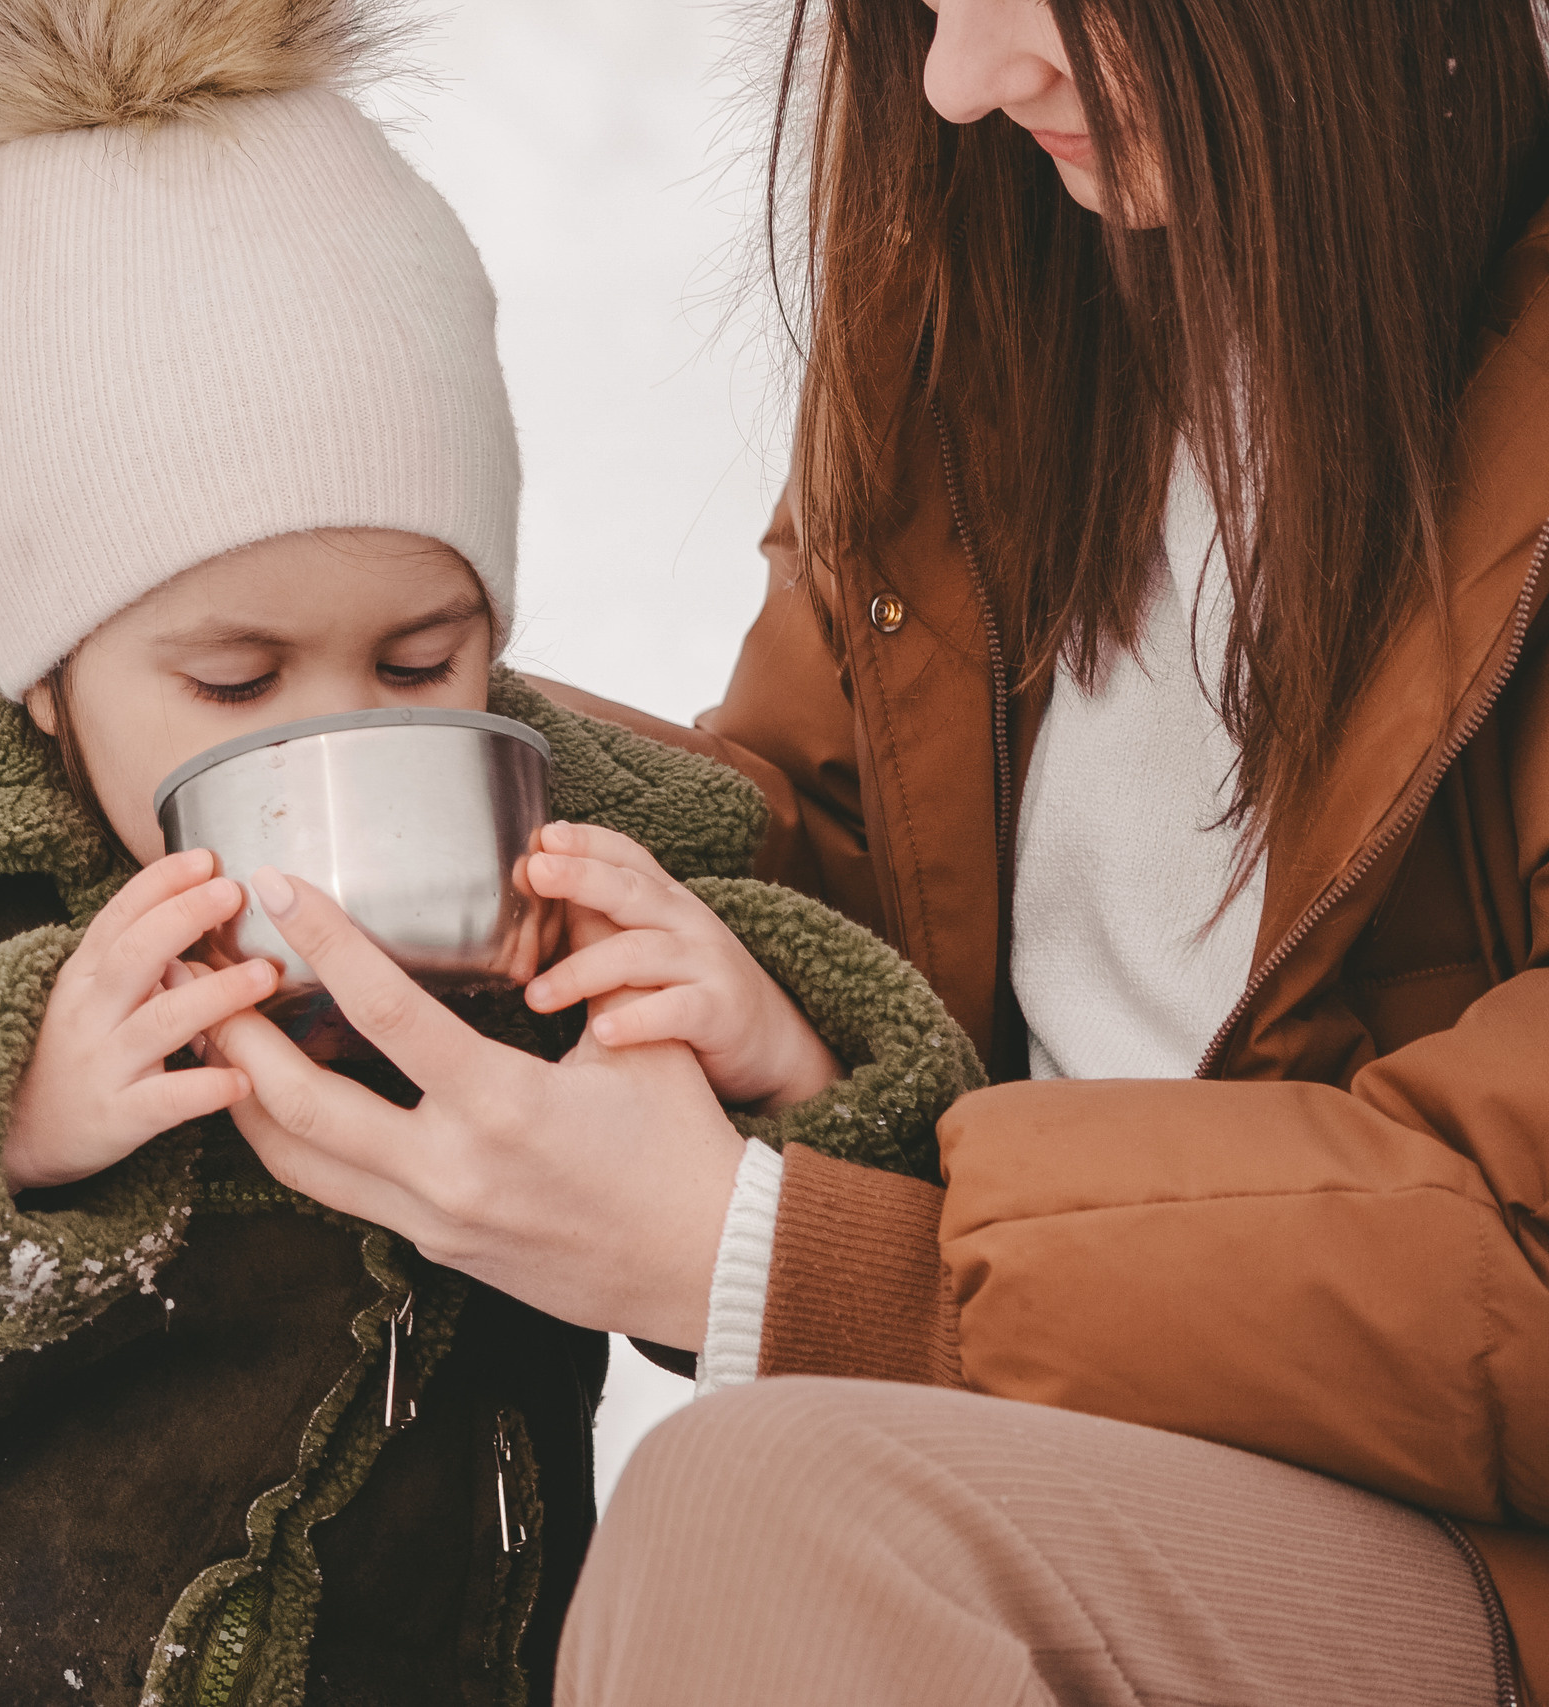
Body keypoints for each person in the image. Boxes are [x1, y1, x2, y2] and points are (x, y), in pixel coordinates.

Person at [0, 4, 981, 1704]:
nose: (348, 732)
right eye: (234, 681)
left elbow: (868, 1339)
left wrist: (780, 1073)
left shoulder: (572, 876)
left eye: (419, 660)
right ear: (46, 667)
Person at [199, 0, 1549, 1700]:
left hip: (1468, 1555)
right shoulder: (1012, 273)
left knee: (769, 1533)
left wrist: (797, 1265)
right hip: (1048, 1457)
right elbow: (840, 835)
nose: (957, 77)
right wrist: (735, 989)